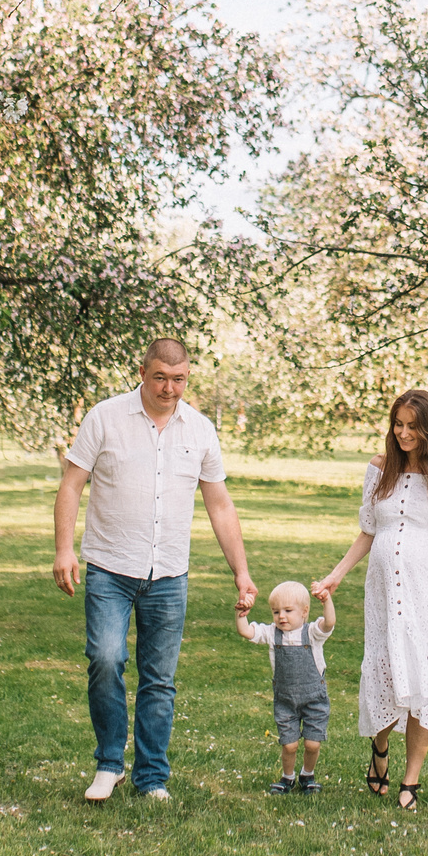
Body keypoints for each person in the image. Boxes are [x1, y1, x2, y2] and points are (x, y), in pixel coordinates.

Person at [54, 338, 257, 802]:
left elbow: (220, 506)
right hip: (109, 567)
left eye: (179, 379)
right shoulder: (105, 417)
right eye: (161, 377)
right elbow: (70, 486)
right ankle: (109, 764)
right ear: (142, 371)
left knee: (159, 679)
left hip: (169, 574)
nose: (170, 388)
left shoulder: (201, 430)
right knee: (106, 660)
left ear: (188, 376)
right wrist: (64, 549)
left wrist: (240, 572)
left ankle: (150, 777)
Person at [310, 388, 428, 811]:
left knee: (426, 676)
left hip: (427, 591)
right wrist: (335, 576)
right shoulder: (379, 468)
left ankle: (411, 780)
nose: (402, 433)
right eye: (398, 424)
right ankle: (379, 749)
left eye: (412, 427)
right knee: (382, 669)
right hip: (382, 590)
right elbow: (368, 529)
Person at [237, 580, 337, 794]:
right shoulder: (272, 633)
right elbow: (246, 632)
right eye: (276, 612)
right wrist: (241, 614)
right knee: (289, 745)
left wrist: (327, 600)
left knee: (312, 744)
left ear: (304, 612)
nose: (281, 616)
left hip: (314, 699)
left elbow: (329, 623)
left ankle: (307, 775)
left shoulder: (312, 633)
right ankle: (287, 777)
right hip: (285, 701)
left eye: (288, 611)